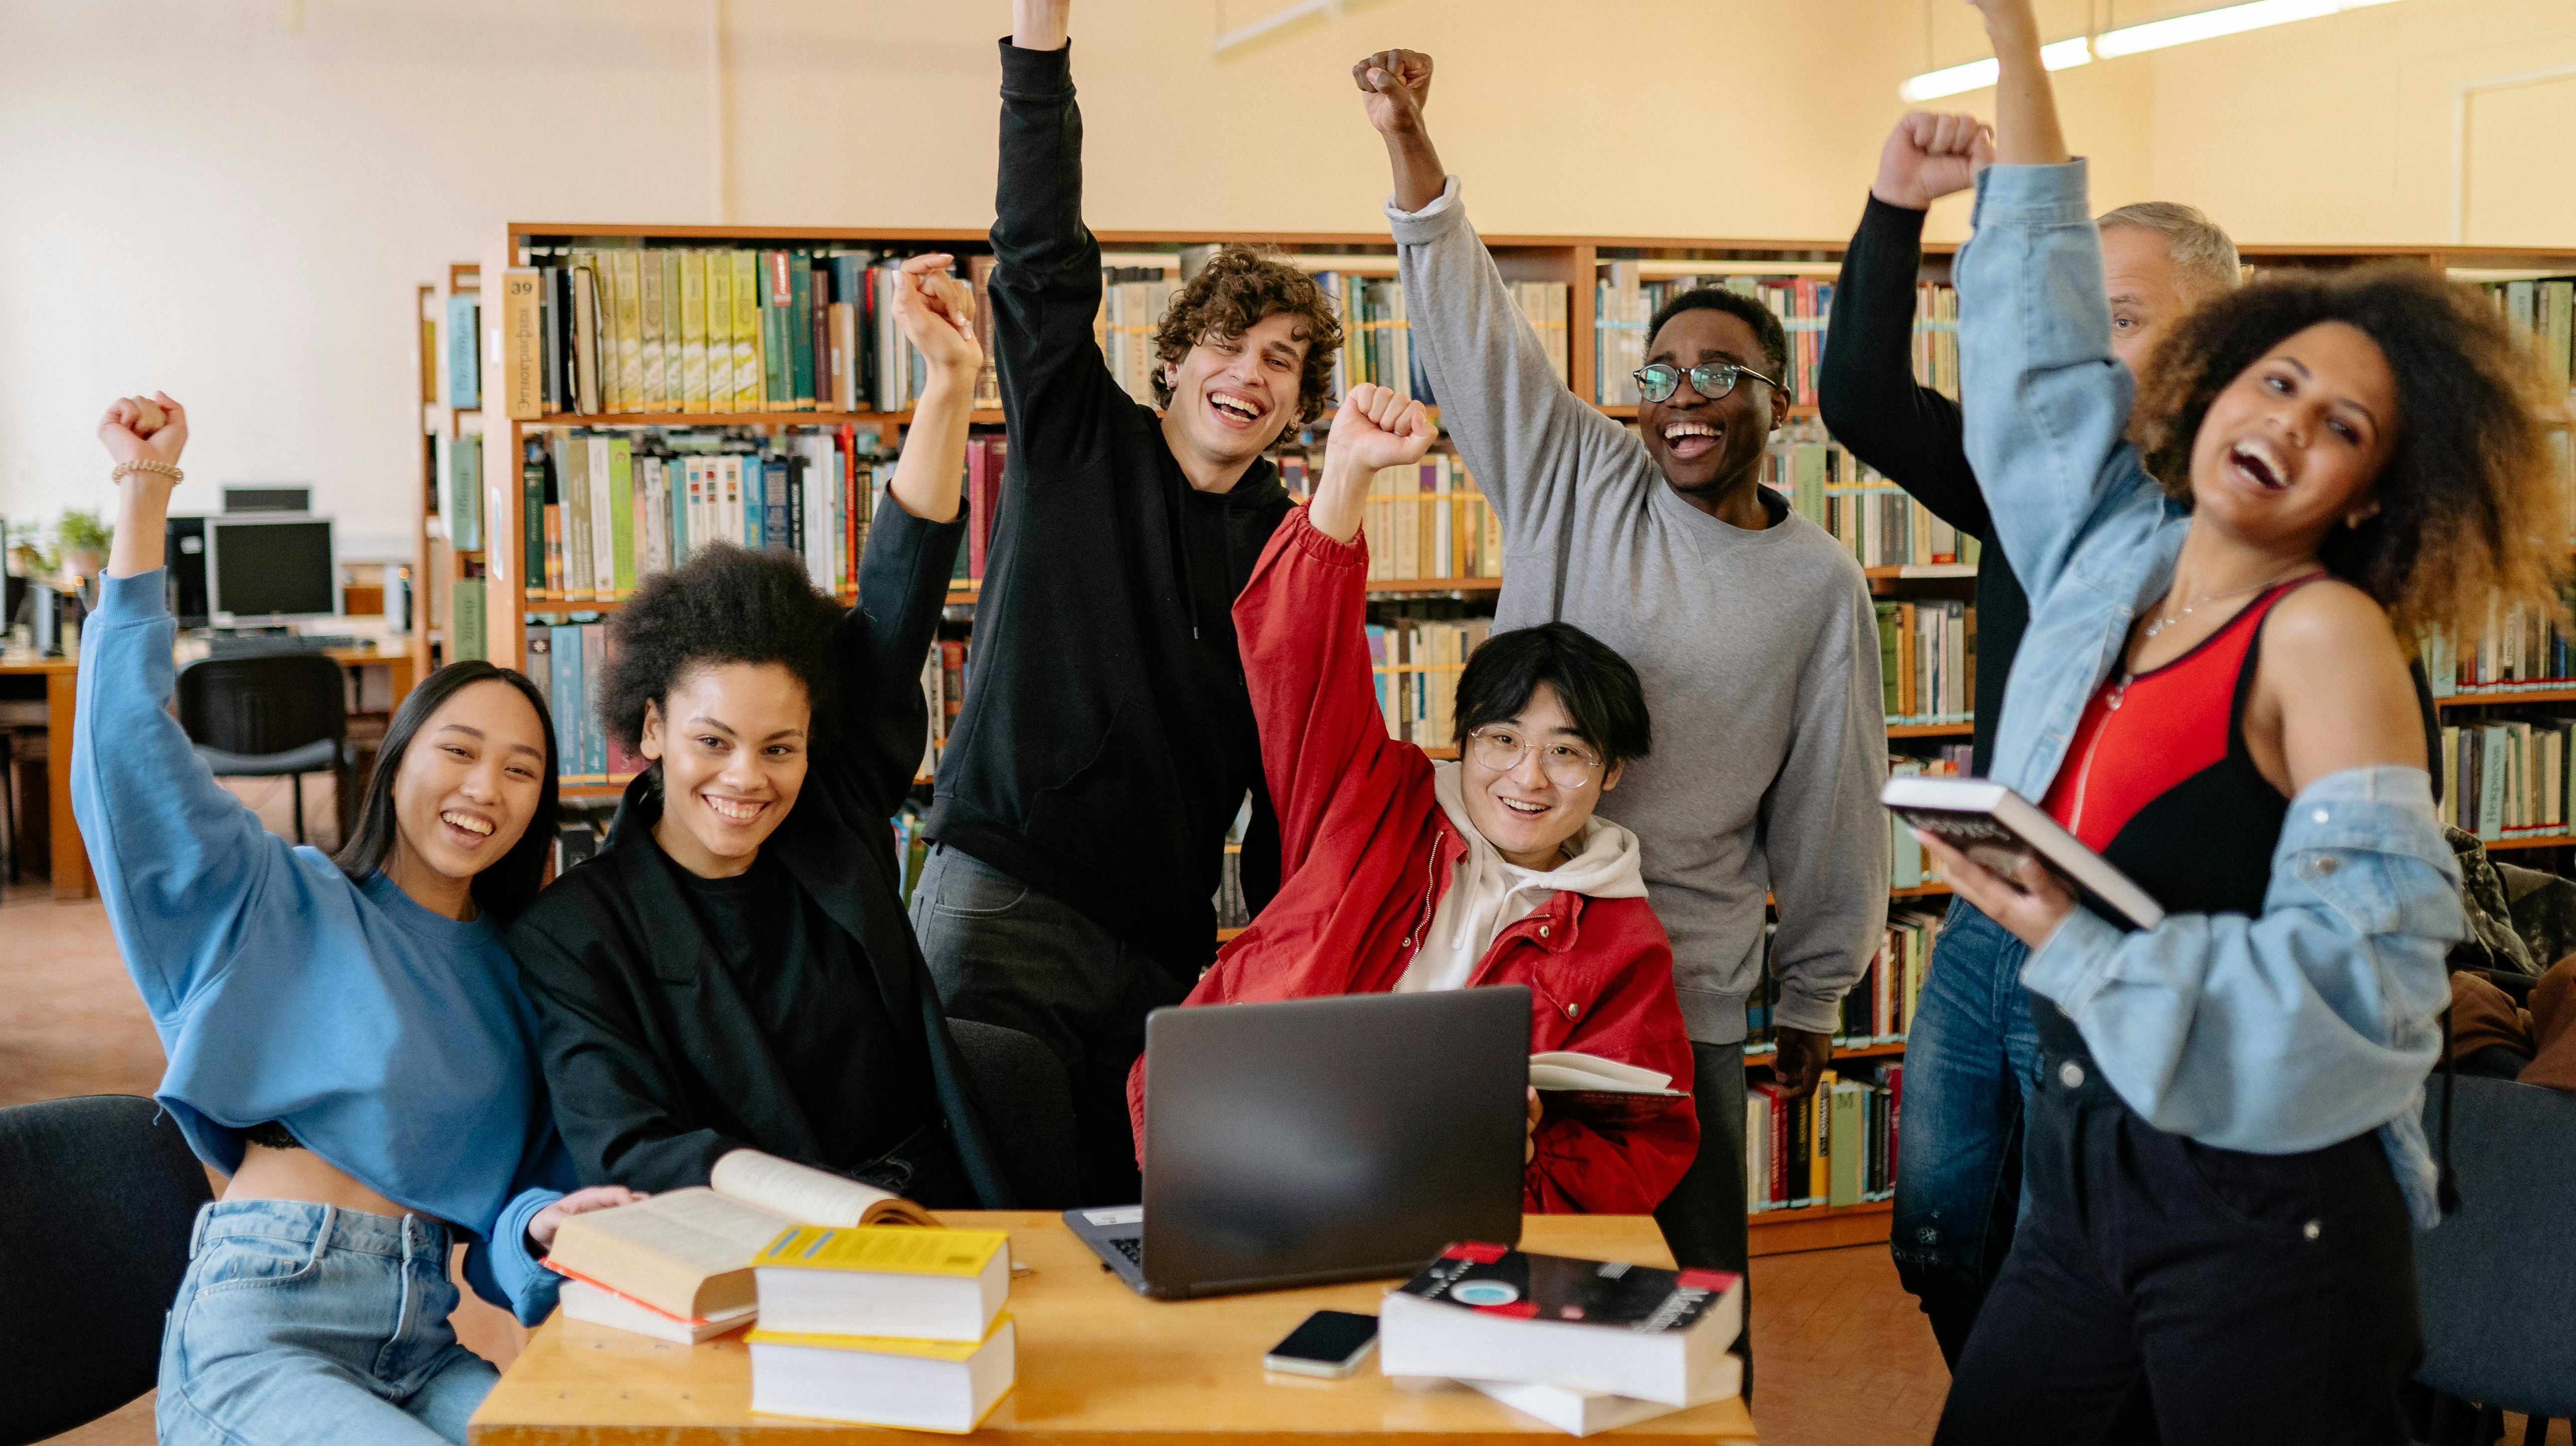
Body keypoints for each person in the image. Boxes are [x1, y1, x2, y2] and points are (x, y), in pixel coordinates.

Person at [1921, 1, 2567, 1438]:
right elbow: (2032, 342)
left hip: (2264, 1210)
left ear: (2375, 499)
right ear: (2213, 385)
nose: (2287, 421)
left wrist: (2066, 934)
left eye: (2345, 426)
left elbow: (2369, 996)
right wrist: (2013, 36)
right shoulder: (2108, 557)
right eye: (2278, 378)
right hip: (2087, 1163)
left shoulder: (2325, 637)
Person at [1353, 47, 1890, 1354]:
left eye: (1716, 373)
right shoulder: (1569, 472)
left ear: (1780, 401)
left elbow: (1829, 796)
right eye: (1656, 372)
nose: (1680, 397)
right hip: (1506, 968)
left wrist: (1816, 995)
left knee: (1689, 1319)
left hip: (1681, 995)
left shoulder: (1815, 584)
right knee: (1473, 1298)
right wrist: (1408, 144)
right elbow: (1468, 323)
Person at [75, 394, 635, 1446]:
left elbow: (515, 1224)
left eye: (522, 771)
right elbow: (121, 746)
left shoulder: (528, 979)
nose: (486, 788)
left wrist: (548, 1224)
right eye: (459, 750)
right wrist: (142, 492)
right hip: (263, 1323)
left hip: (422, 1341)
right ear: (399, 758)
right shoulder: (273, 896)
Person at [1818, 112, 2242, 1366]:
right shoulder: (2028, 483)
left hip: (2123, 926)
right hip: (1986, 918)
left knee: (2079, 1245)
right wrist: (1898, 204)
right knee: (1942, 1231)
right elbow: (1862, 399)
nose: (2088, 350)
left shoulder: (2250, 518)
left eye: (2123, 316)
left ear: (2217, 337)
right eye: (2073, 320)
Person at [911, 0, 1348, 1207]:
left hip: (1163, 942)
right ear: (1172, 359)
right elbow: (1041, 253)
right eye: (1227, 343)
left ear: (1299, 403)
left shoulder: (1290, 542)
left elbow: (1294, 762)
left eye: (1280, 362)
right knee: (975, 1215)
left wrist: (1272, 948)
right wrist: (1037, 49)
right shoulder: (1076, 437)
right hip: (1004, 899)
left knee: (1132, 1226)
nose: (1248, 374)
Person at [510, 256, 1013, 1210]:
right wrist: (826, 1203)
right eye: (712, 741)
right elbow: (625, 1140)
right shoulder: (574, 933)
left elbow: (898, 605)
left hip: (944, 1204)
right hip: (752, 1235)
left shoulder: (834, 818)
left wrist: (949, 386)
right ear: (650, 729)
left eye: (778, 747)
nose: (747, 778)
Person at [1127, 383, 1696, 1212]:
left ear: (1612, 772)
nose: (1527, 779)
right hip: (1255, 1158)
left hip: (1448, 1210)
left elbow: (1639, 1141)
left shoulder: (1622, 935)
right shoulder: (1370, 803)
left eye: (1566, 753)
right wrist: (1348, 473)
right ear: (1462, 740)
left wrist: (1521, 1166)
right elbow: (1302, 657)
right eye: (1501, 741)